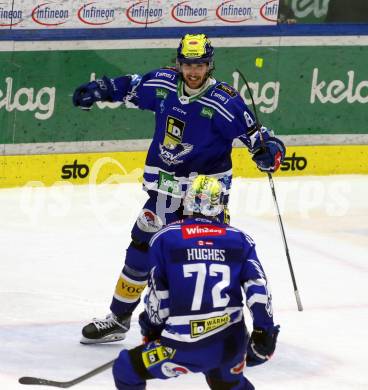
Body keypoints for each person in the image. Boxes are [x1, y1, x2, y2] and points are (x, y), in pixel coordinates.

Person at [72, 33, 285, 344]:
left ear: (210, 65)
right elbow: (130, 86)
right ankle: (119, 319)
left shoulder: (225, 101)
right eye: (187, 64)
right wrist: (100, 89)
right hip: (165, 189)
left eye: (200, 65)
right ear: (179, 63)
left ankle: (214, 326)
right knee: (140, 250)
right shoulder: (163, 83)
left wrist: (270, 152)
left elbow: (260, 138)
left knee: (207, 256)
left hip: (206, 195)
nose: (193, 71)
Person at [112, 175, 280, 390]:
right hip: (230, 345)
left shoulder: (165, 238)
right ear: (220, 205)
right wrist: (264, 331)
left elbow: (158, 296)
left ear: (187, 202)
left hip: (181, 346)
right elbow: (258, 289)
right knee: (227, 382)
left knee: (126, 368)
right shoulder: (240, 239)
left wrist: (152, 331)